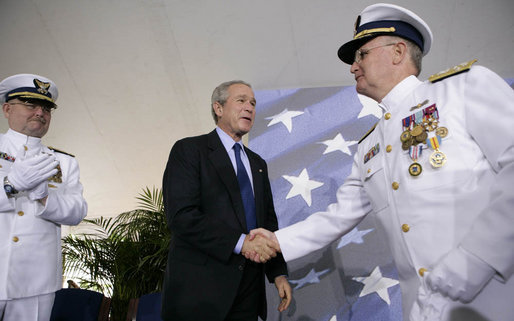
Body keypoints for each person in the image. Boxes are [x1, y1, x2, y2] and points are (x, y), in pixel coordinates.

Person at [249, 3, 514, 321]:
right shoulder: (369, 146)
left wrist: (476, 259)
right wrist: (277, 240)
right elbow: (337, 217)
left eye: (361, 54)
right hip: (422, 309)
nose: (352, 67)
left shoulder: (463, 88)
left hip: (493, 298)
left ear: (398, 51)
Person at [161, 80, 292, 321]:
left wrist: (278, 273)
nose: (250, 108)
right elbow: (182, 216)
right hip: (201, 293)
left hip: (249, 293)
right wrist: (241, 243)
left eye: (253, 103)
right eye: (241, 100)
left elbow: (268, 222)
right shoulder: (189, 151)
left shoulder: (258, 164)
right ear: (218, 108)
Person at [0, 74, 88, 321]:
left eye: (46, 108)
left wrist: (44, 198)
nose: (40, 112)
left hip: (36, 283)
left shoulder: (64, 162)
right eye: (30, 104)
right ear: (7, 109)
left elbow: (77, 211)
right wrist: (10, 185)